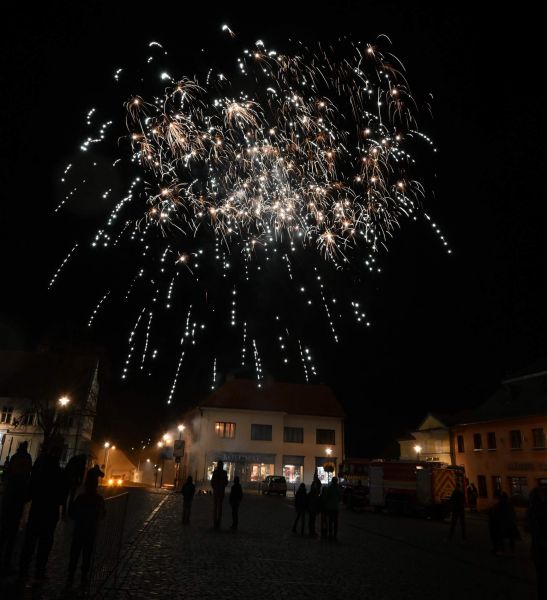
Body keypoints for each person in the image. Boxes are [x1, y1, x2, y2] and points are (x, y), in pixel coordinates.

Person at [19, 441, 68, 580]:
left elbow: (30, 491)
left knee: (30, 542)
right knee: (44, 544)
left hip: (37, 510)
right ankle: (39, 571)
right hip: (50, 514)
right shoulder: (60, 473)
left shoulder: (41, 471)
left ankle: (23, 570)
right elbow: (62, 498)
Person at [66, 468, 106, 589]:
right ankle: (84, 575)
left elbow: (71, 514)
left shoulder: (81, 498)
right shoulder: (99, 499)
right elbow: (103, 515)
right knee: (87, 554)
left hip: (79, 530)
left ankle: (71, 574)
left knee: (75, 553)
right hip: (90, 531)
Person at [0, 441, 32, 573]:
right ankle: (7, 561)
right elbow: (28, 475)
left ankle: (4, 558)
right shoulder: (27, 458)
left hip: (10, 497)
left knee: (4, 530)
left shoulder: (15, 457)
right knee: (12, 533)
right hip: (18, 498)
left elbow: (8, 474)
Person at [527, 484, 547, 599]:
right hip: (541, 551)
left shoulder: (532, 512)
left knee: (541, 580)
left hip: (538, 552)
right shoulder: (538, 512)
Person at [210, 461, 228, 529]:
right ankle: (219, 522)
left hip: (216, 491)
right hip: (221, 491)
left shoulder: (215, 472)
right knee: (220, 507)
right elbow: (226, 482)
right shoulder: (224, 473)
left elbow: (212, 482)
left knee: (215, 507)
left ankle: (215, 522)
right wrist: (222, 486)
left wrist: (215, 487)